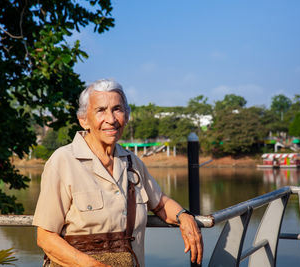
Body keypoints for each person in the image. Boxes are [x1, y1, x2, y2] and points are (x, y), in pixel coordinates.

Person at [33, 79, 203, 267]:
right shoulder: (63, 161)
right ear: (83, 120)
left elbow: (160, 203)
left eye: (117, 109)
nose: (111, 119)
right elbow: (45, 238)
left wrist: (184, 217)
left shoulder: (133, 162)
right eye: (101, 110)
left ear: (126, 116)